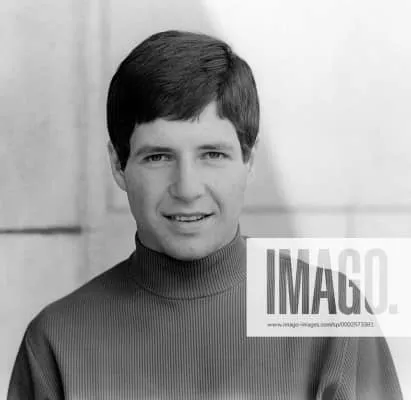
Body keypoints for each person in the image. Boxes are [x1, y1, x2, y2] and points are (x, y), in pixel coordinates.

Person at [8, 30, 402, 400]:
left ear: (248, 160)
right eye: (158, 157)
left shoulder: (332, 317)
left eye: (212, 154)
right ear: (118, 165)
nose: (187, 188)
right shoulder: (56, 342)